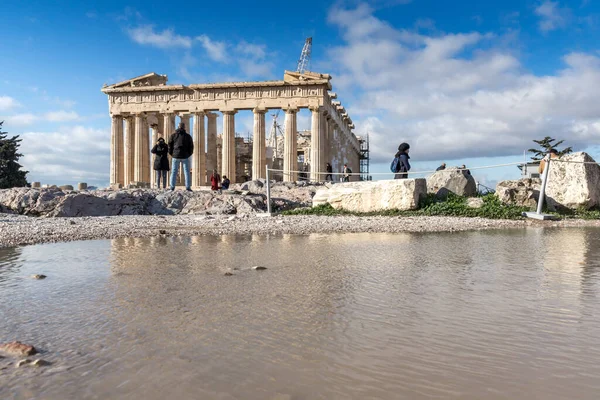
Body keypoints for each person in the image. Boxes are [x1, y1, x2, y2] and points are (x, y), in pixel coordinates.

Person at [168, 122, 194, 192]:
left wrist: (172, 154)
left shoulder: (173, 135)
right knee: (187, 171)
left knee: (173, 171)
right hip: (185, 156)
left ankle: (172, 187)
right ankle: (188, 187)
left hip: (175, 155)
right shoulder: (188, 136)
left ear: (178, 127)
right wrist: (188, 154)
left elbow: (169, 145)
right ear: (184, 127)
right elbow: (191, 147)